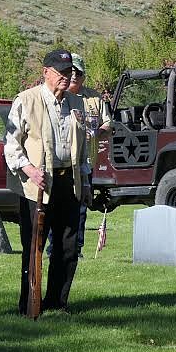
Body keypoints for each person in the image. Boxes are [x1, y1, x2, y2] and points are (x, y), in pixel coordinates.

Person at [4, 49, 89, 315]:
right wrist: (29, 169)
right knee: (34, 247)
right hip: (37, 186)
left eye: (70, 72)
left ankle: (57, 302)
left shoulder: (77, 103)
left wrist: (85, 181)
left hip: (69, 182)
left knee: (68, 246)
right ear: (46, 73)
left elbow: (83, 146)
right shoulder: (26, 101)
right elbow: (11, 144)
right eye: (61, 72)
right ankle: (29, 303)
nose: (67, 77)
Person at [68, 52, 111, 254]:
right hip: (64, 163)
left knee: (81, 207)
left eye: (79, 72)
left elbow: (109, 123)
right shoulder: (59, 97)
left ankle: (77, 248)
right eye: (72, 72)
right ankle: (54, 248)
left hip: (86, 163)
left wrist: (97, 132)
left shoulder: (94, 98)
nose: (75, 76)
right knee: (60, 209)